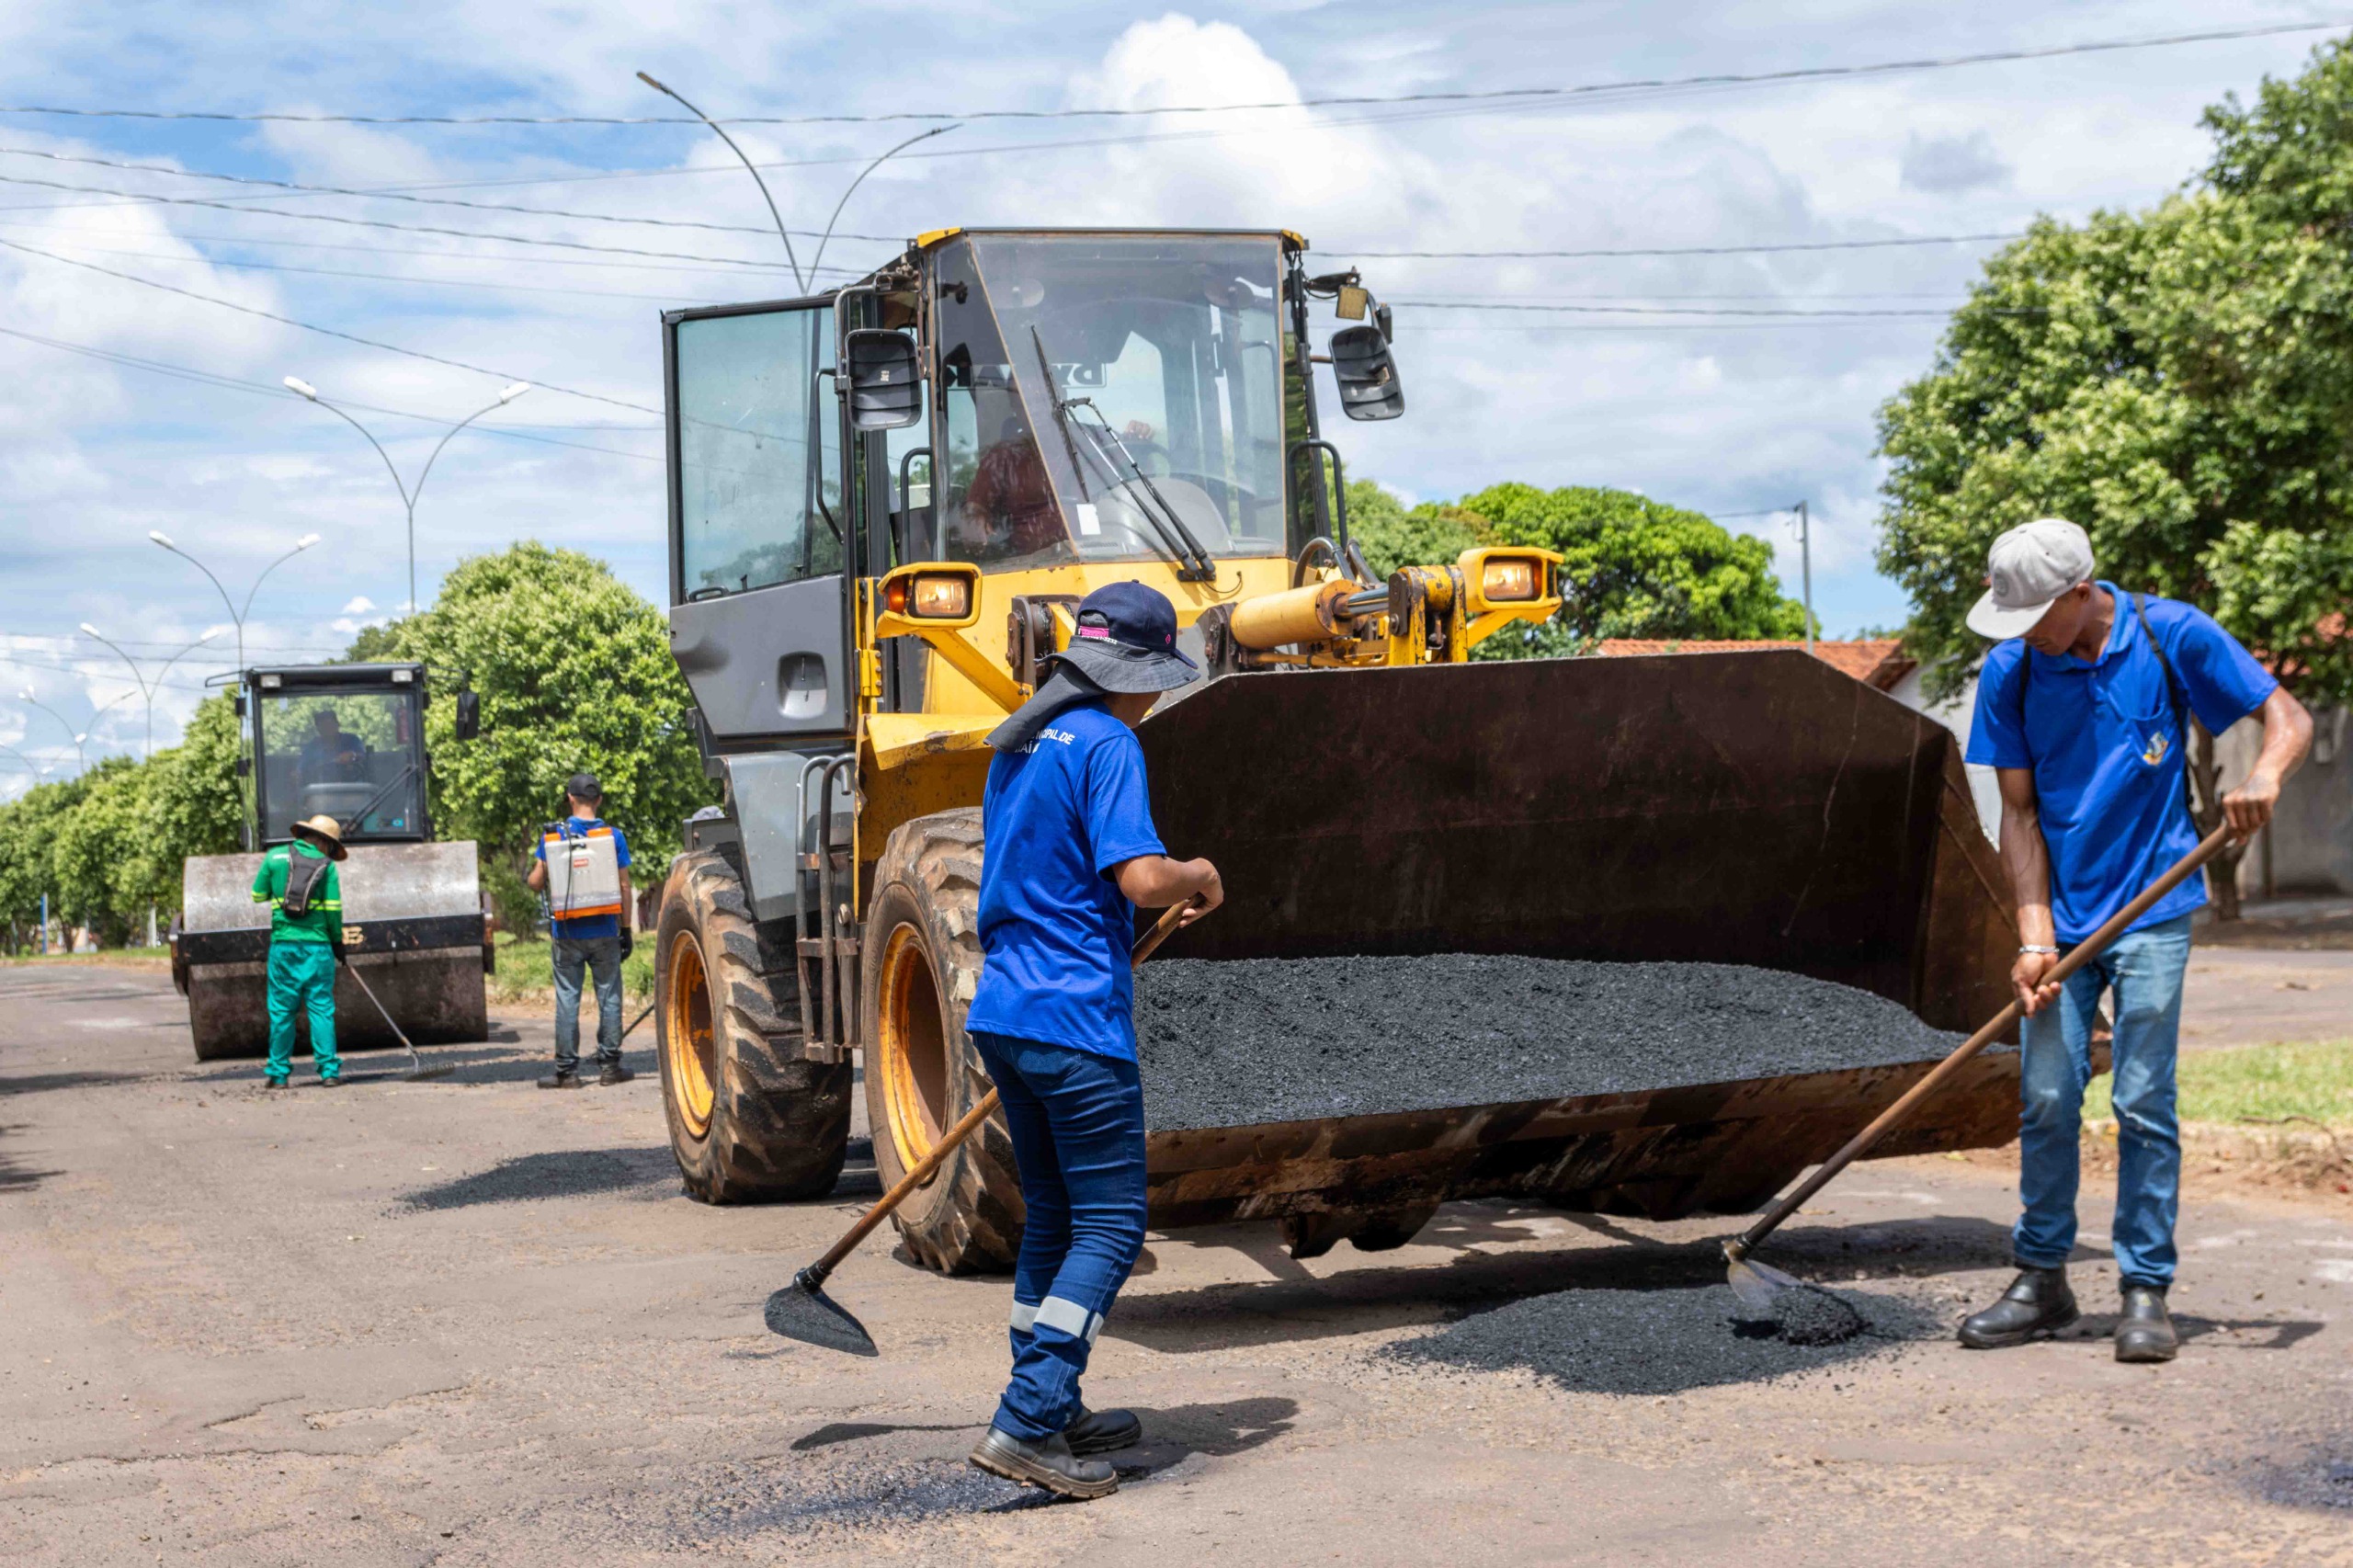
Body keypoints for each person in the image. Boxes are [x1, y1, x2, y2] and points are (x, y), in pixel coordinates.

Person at [1957, 518, 2311, 1362]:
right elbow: (2018, 815)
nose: (2024, 635)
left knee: (2143, 1099)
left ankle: (2145, 1287)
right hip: (2062, 920)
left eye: (2036, 616)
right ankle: (2041, 1279)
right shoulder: (2011, 670)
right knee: (2047, 1096)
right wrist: (2034, 937)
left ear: (2081, 592)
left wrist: (2264, 774)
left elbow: (2287, 717)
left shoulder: (2167, 633)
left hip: (2154, 906)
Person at [962, 582, 1222, 1500]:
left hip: (1006, 1012)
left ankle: (1052, 1399)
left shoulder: (1020, 740)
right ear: (1139, 673)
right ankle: (1028, 1419)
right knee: (1111, 1224)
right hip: (1075, 1019)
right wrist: (1199, 873)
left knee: (1054, 1216)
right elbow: (1142, 877)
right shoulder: (1110, 743)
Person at [527, 773, 636, 1090]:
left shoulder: (553, 836)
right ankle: (610, 1068)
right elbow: (625, 886)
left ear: (570, 798)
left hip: (567, 932)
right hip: (605, 930)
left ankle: (567, 1073)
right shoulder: (613, 836)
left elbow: (535, 883)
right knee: (609, 996)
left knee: (567, 999)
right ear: (599, 800)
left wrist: (537, 870)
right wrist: (626, 929)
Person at [250, 813, 347, 1088]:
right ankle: (329, 1072)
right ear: (324, 842)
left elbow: (257, 895)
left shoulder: (274, 857)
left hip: (284, 947)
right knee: (321, 1009)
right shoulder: (327, 866)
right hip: (318, 948)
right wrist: (338, 943)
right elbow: (333, 910)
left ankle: (279, 1075)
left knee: (282, 1010)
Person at [298, 708, 365, 786]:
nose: (328, 729)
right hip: (321, 788)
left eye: (330, 725)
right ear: (318, 729)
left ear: (338, 725)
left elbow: (364, 757)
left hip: (352, 786)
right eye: (324, 726)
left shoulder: (352, 740)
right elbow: (301, 768)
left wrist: (352, 755)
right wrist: (297, 774)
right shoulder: (312, 746)